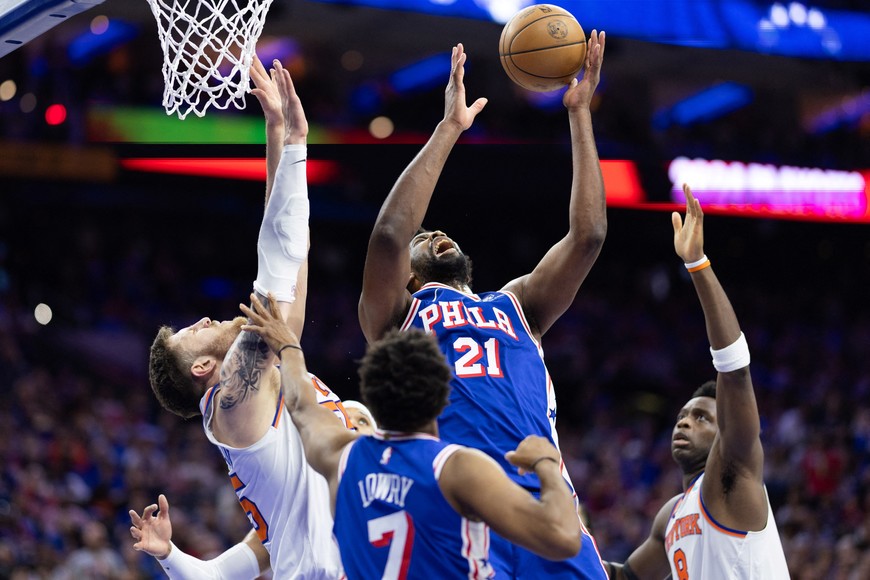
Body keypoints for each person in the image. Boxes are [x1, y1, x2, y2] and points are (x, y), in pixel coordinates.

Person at [357, 37, 608, 577]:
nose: (435, 233)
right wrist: (449, 129)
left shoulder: (518, 304)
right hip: (460, 509)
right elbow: (388, 235)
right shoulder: (398, 316)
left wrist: (580, 114)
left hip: (546, 504)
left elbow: (587, 236)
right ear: (410, 270)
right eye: (425, 239)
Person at [131, 57, 349, 579]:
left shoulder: (265, 395)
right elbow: (276, 262)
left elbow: (290, 259)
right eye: (195, 332)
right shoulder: (233, 401)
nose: (205, 318)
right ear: (204, 369)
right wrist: (292, 143)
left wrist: (277, 133)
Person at [240, 293, 584, 579]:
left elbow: (301, 403)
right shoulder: (456, 468)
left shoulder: (339, 456)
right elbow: (564, 539)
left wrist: (288, 347)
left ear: (371, 397)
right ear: (443, 398)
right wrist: (547, 462)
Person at [605, 184, 789, 579]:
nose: (684, 421)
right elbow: (623, 577)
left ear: (725, 430)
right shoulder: (670, 515)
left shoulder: (733, 475)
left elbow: (735, 370)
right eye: (684, 415)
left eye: (702, 418)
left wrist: (697, 264)